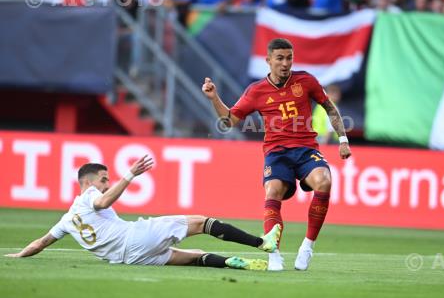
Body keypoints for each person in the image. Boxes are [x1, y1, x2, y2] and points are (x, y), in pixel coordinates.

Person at [202, 38, 351, 271]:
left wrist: (343, 139)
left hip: (306, 149)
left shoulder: (306, 81)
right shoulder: (256, 91)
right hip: (276, 153)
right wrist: (214, 99)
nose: (285, 63)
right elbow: (229, 120)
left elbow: (330, 107)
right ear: (268, 60)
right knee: (273, 192)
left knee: (324, 181)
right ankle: (274, 254)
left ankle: (307, 247)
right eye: (279, 58)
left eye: (289, 58)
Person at [5, 155, 281, 271]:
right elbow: (102, 203)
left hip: (129, 259)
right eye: (104, 179)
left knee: (195, 257)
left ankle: (238, 263)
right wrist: (130, 175)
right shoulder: (90, 196)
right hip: (135, 238)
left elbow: (40, 243)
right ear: (88, 183)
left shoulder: (66, 220)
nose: (107, 183)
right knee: (201, 222)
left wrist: (18, 255)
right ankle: (262, 243)